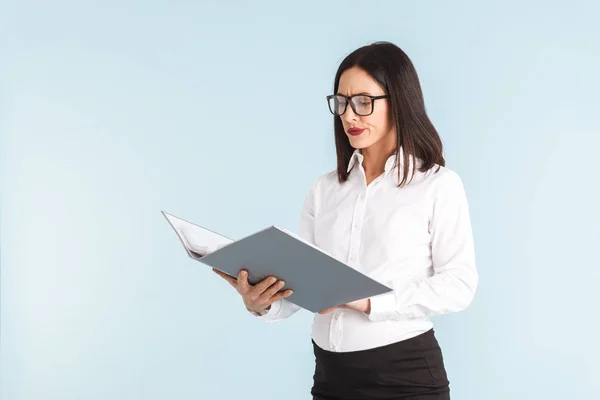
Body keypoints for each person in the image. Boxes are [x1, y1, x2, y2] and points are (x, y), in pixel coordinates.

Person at [212, 41, 478, 400]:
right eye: (342, 103)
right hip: (330, 379)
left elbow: (459, 284)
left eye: (363, 102)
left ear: (398, 101)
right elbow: (302, 287)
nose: (349, 116)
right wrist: (262, 303)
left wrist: (367, 301)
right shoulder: (324, 189)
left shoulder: (437, 185)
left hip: (405, 379)